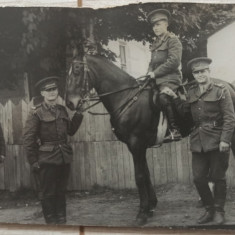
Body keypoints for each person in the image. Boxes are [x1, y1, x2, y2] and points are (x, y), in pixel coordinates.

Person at [162, 57, 235, 225]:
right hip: (198, 141)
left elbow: (230, 118)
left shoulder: (220, 90)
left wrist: (225, 140)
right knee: (198, 178)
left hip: (217, 139)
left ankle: (219, 211)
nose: (200, 74)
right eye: (196, 72)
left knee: (218, 177)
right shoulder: (192, 92)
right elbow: (185, 113)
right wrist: (174, 97)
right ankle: (209, 210)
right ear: (193, 75)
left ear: (209, 72)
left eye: (203, 71)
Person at [23, 76, 83, 225]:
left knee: (61, 191)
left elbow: (70, 131)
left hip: (63, 157)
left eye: (54, 89)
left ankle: (62, 222)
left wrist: (79, 114)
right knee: (48, 193)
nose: (52, 92)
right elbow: (28, 139)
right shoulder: (36, 113)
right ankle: (51, 224)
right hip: (46, 159)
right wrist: (34, 161)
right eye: (48, 90)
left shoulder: (62, 110)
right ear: (42, 93)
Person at [146, 9, 183, 142]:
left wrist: (155, 73)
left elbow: (174, 62)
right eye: (153, 25)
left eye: (158, 24)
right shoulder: (156, 43)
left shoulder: (173, 40)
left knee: (163, 97)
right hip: (156, 79)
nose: (155, 28)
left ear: (166, 24)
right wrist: (147, 74)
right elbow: (152, 62)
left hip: (170, 79)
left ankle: (174, 130)